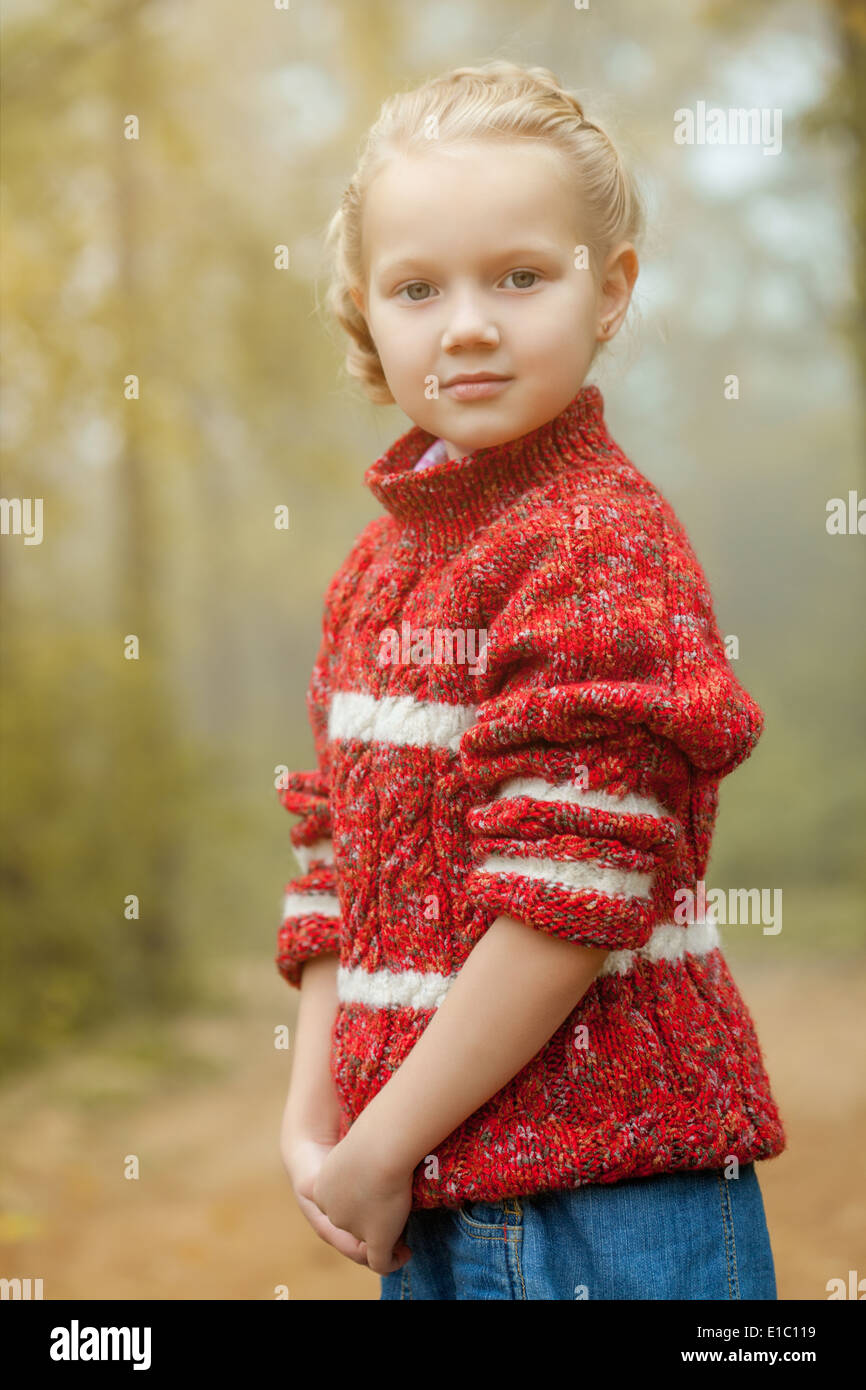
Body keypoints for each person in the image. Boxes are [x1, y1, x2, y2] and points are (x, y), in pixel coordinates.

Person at [275, 60, 786, 1301]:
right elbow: (335, 860)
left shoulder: (596, 540)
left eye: (519, 276)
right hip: (423, 1189)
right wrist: (320, 1127)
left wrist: (379, 1143)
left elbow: (572, 885)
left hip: (614, 1197)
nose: (466, 323)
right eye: (417, 287)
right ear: (364, 309)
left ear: (606, 290)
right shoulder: (375, 569)